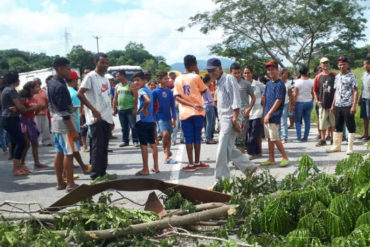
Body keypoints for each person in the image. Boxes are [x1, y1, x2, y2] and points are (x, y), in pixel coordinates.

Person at [207, 58, 257, 180]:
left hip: (230, 118)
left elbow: (236, 99)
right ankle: (248, 167)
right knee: (228, 148)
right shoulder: (218, 81)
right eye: (209, 71)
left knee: (221, 150)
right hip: (224, 119)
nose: (211, 73)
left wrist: (235, 119)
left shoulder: (229, 79)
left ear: (219, 69)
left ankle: (221, 180)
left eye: (213, 70)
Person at [78, 53, 114, 180]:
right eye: (102, 62)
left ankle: (103, 173)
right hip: (96, 118)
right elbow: (80, 94)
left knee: (104, 147)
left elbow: (107, 98)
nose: (105, 65)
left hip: (106, 118)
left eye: (106, 63)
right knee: (97, 148)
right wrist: (93, 110)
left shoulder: (105, 78)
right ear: (95, 62)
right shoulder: (90, 77)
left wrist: (111, 119)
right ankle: (95, 175)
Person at [47, 58, 79, 191]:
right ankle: (70, 183)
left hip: (55, 122)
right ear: (60, 68)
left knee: (59, 152)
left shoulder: (52, 83)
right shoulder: (60, 86)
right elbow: (64, 111)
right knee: (69, 154)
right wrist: (73, 130)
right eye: (67, 68)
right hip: (64, 123)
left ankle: (60, 182)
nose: (69, 71)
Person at [174, 55, 209, 171]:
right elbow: (204, 90)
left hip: (184, 112)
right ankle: (197, 161)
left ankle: (190, 164)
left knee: (188, 138)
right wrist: (194, 103)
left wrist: (189, 104)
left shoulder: (178, 79)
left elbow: (177, 98)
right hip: (198, 111)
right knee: (197, 137)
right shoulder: (196, 77)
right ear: (194, 65)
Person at [1, 72, 34, 176]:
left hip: (9, 118)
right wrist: (31, 108)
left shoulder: (7, 89)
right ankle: (16, 168)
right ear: (15, 80)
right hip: (10, 119)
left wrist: (19, 107)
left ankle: (19, 166)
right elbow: (21, 107)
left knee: (17, 142)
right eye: (18, 79)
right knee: (22, 142)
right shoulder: (11, 90)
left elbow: (18, 106)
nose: (19, 81)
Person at [261, 60, 289, 167]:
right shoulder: (268, 83)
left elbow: (279, 100)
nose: (270, 71)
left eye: (272, 69)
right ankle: (271, 158)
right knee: (269, 138)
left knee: (275, 138)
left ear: (277, 70)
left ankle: (285, 157)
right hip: (267, 114)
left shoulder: (280, 84)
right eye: (268, 70)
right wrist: (264, 113)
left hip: (274, 115)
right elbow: (265, 98)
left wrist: (269, 114)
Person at [327, 57, 358, 154]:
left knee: (350, 125)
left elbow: (355, 91)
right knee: (337, 125)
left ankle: (350, 148)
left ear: (347, 65)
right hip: (338, 104)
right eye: (340, 65)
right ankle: (337, 146)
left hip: (348, 104)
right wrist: (333, 105)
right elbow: (336, 91)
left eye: (343, 64)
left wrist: (354, 106)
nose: (342, 66)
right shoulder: (337, 77)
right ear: (338, 65)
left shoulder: (351, 76)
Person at [133, 71, 159, 175]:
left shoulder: (142, 91)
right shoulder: (149, 90)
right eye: (134, 80)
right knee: (153, 143)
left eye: (138, 80)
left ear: (144, 80)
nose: (136, 82)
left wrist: (143, 109)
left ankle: (145, 168)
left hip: (143, 121)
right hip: (151, 121)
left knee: (143, 145)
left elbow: (147, 101)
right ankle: (156, 166)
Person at [66, 70, 91, 174]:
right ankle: (67, 174)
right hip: (72, 125)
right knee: (70, 151)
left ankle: (83, 167)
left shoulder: (64, 91)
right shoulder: (74, 93)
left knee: (72, 149)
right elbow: (74, 111)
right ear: (75, 80)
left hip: (64, 125)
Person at [19, 82, 48, 170]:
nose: (39, 88)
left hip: (31, 121)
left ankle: (37, 163)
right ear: (31, 89)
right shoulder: (24, 98)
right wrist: (33, 108)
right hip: (24, 121)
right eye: (36, 87)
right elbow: (21, 111)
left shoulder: (34, 98)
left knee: (35, 143)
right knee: (26, 144)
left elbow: (34, 113)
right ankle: (21, 163)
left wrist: (40, 108)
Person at [152, 71, 177, 164]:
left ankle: (167, 157)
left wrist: (174, 118)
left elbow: (172, 106)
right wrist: (153, 119)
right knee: (165, 135)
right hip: (160, 117)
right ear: (159, 80)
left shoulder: (169, 92)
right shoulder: (155, 92)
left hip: (168, 117)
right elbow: (153, 106)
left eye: (167, 78)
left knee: (169, 136)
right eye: (165, 78)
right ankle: (164, 148)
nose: (167, 80)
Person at [230, 63, 256, 152]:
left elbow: (253, 97)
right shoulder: (228, 83)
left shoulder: (246, 83)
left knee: (241, 136)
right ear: (231, 73)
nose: (237, 75)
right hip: (231, 113)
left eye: (238, 73)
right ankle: (233, 157)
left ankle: (239, 160)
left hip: (243, 113)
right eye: (235, 73)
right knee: (232, 137)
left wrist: (249, 109)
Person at [313, 57, 337, 146]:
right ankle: (323, 140)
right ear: (321, 65)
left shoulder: (334, 75)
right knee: (322, 123)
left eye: (326, 63)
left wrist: (334, 103)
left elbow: (337, 89)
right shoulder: (318, 77)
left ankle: (332, 138)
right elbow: (315, 90)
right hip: (322, 102)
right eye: (323, 63)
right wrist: (317, 100)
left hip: (332, 103)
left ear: (329, 64)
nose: (325, 65)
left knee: (333, 123)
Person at [112, 70, 139, 147]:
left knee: (133, 126)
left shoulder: (131, 85)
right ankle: (125, 141)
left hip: (130, 109)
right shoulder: (117, 86)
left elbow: (136, 97)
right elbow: (115, 98)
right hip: (121, 109)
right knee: (124, 127)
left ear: (123, 76)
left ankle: (135, 141)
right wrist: (114, 109)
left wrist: (135, 109)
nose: (116, 77)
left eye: (117, 76)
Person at [245, 67, 265, 159]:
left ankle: (250, 152)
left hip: (257, 112)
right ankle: (257, 151)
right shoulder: (241, 84)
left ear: (252, 73)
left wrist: (264, 101)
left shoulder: (258, 85)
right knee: (249, 132)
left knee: (254, 132)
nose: (246, 75)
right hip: (246, 113)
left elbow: (266, 92)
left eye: (248, 73)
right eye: (245, 73)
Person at [292, 66, 314, 141]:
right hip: (309, 102)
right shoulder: (311, 81)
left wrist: (293, 104)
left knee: (297, 120)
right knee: (307, 120)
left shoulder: (297, 82)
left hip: (300, 102)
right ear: (307, 72)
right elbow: (313, 92)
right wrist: (312, 100)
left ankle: (298, 137)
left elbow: (295, 94)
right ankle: (305, 137)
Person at [33, 78, 53, 146]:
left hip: (44, 112)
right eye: (36, 83)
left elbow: (48, 101)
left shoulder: (44, 91)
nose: (37, 84)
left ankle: (46, 141)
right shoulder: (32, 93)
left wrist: (45, 106)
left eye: (38, 83)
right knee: (36, 129)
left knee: (46, 128)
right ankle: (35, 142)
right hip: (35, 114)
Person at [279, 69, 293, 143]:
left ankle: (284, 137)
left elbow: (290, 96)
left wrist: (290, 105)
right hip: (277, 104)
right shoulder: (278, 82)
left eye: (287, 74)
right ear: (281, 74)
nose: (286, 75)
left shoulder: (288, 84)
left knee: (284, 121)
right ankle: (278, 136)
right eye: (285, 74)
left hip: (285, 103)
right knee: (277, 120)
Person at [202, 74, 217, 144]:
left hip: (207, 106)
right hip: (209, 106)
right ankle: (208, 138)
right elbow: (209, 99)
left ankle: (209, 137)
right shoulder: (206, 88)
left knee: (211, 122)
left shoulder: (204, 87)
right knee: (210, 123)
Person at [358, 56, 370, 141]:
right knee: (365, 117)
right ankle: (366, 134)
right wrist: (360, 98)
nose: (364, 66)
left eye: (365, 64)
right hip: (364, 98)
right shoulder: (364, 74)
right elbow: (363, 87)